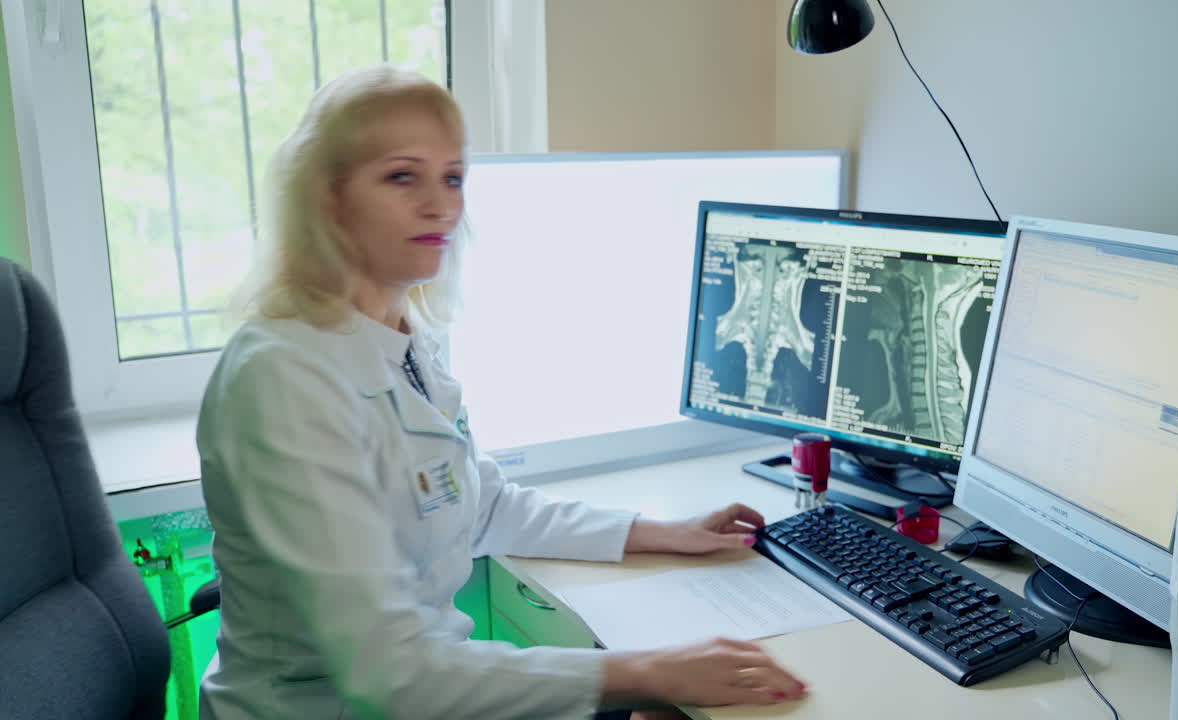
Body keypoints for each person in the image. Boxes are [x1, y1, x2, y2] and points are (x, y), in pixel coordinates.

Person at [195, 64, 807, 720]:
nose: (442, 206)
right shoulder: (283, 376)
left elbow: (481, 507)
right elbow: (388, 674)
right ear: (327, 196)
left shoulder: (399, 341)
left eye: (452, 177)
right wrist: (653, 670)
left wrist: (661, 532)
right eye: (403, 176)